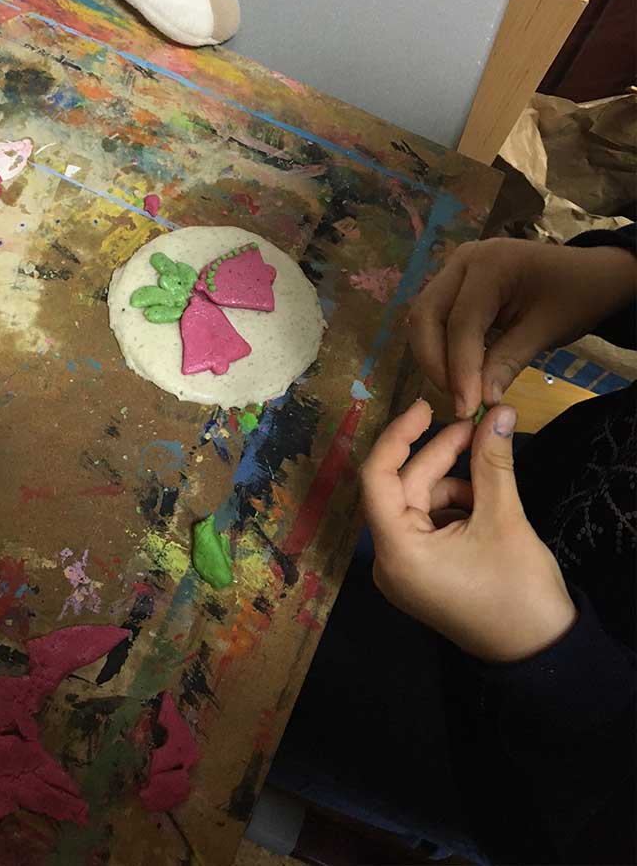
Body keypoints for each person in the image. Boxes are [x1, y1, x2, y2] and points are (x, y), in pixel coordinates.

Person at [269, 228, 635, 865]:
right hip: (530, 497)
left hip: (522, 756)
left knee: (264, 693)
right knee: (294, 501)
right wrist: (620, 275)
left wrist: (549, 658)